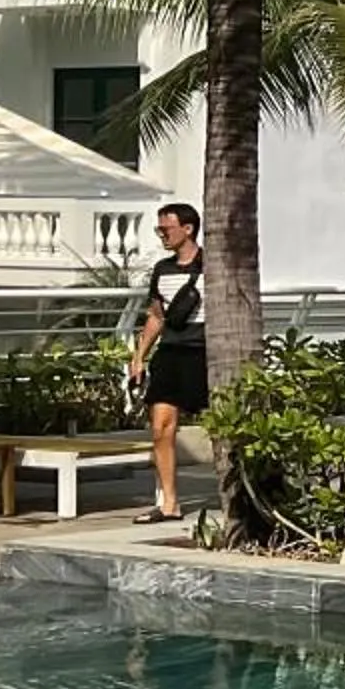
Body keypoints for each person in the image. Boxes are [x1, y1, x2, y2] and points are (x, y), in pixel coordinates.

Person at [127, 201, 207, 523]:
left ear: (187, 229)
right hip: (172, 352)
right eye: (159, 229)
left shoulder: (214, 265)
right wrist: (139, 356)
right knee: (161, 428)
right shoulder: (163, 269)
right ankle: (169, 503)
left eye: (166, 229)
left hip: (205, 352)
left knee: (220, 428)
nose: (162, 234)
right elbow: (156, 315)